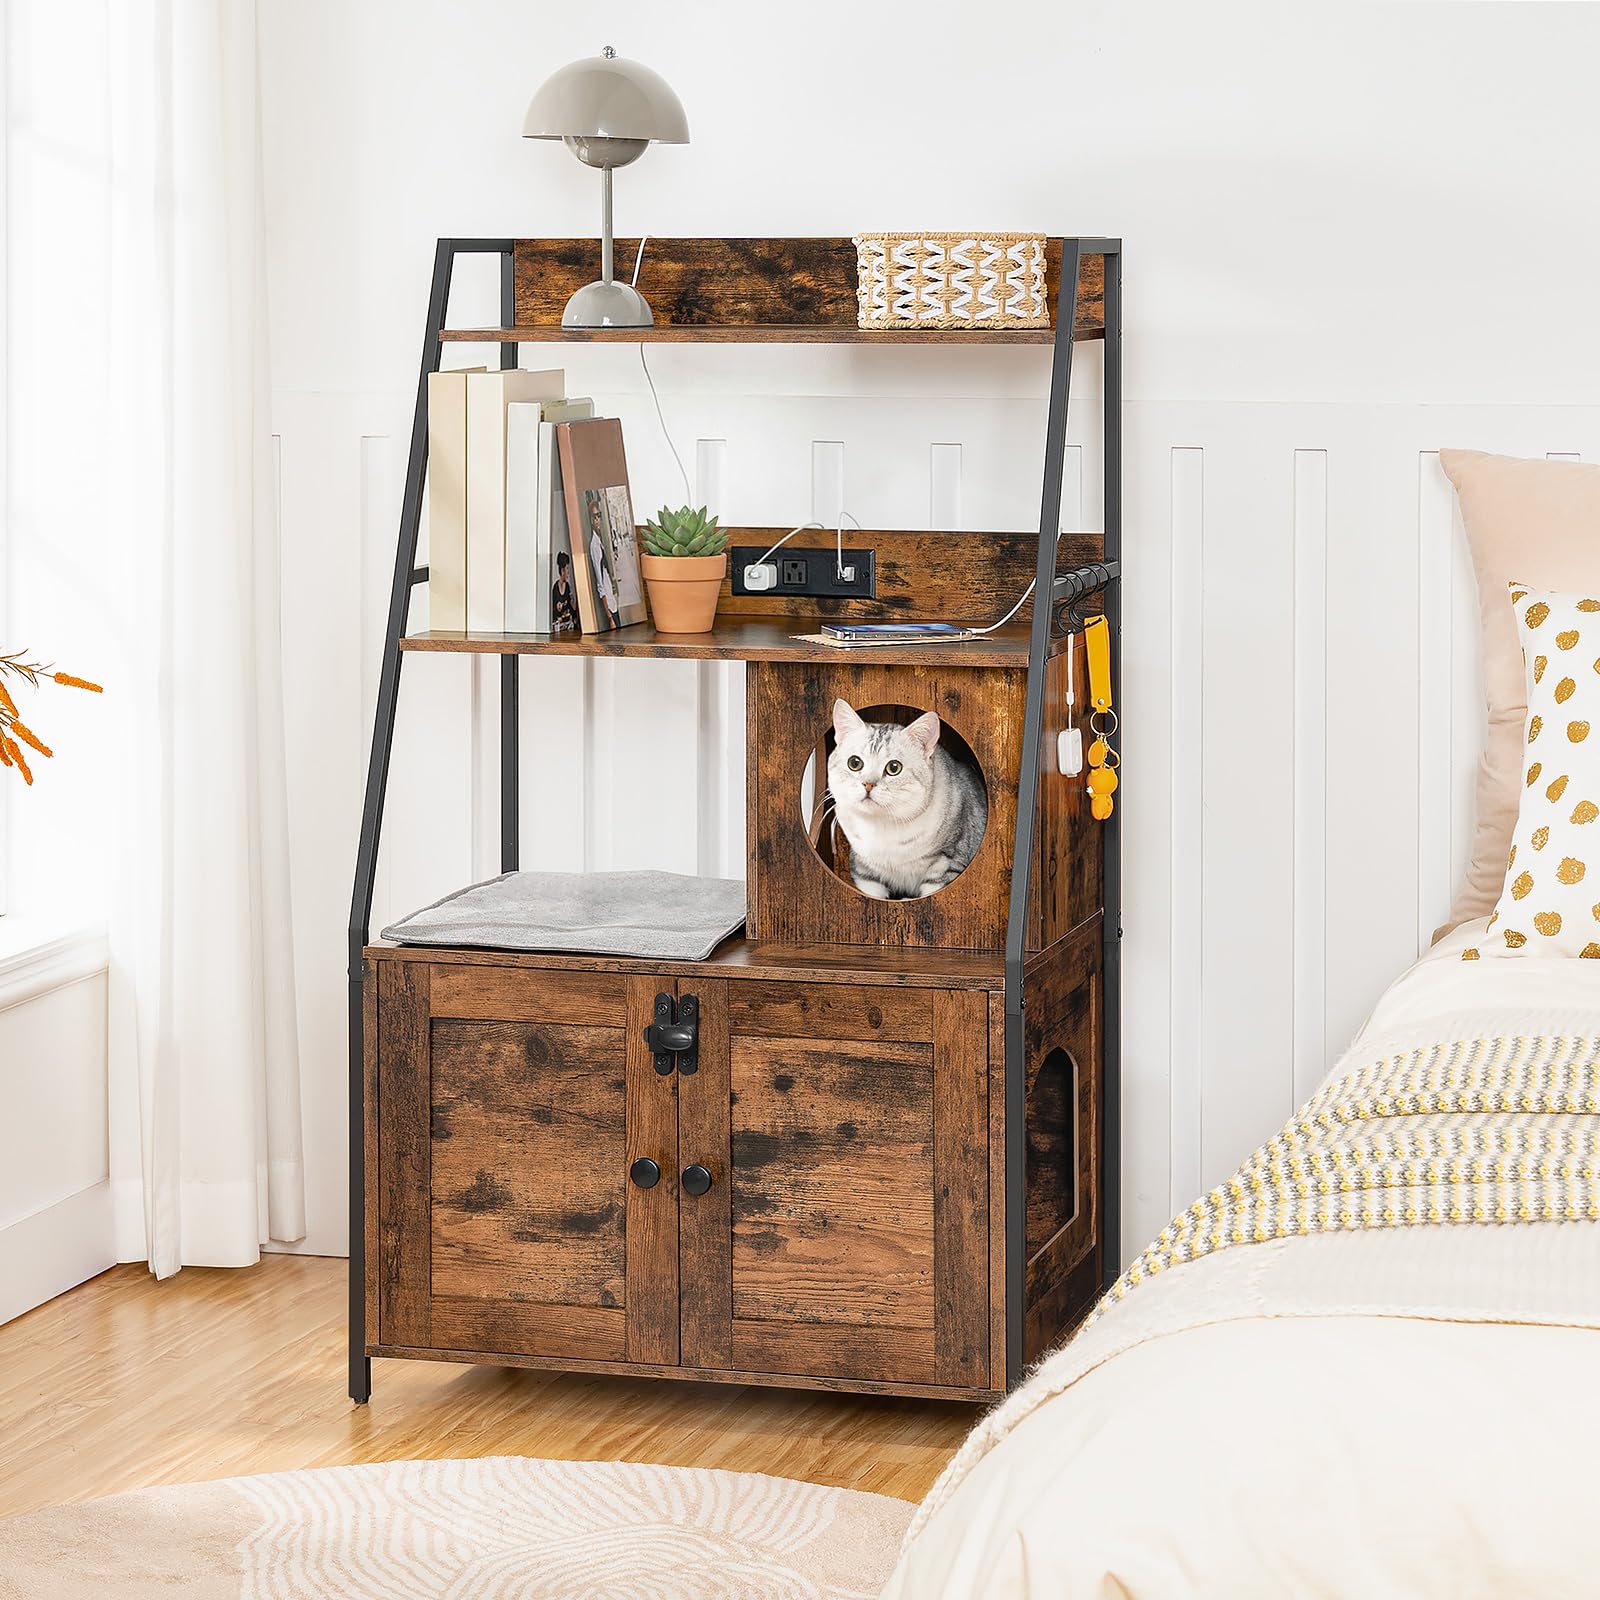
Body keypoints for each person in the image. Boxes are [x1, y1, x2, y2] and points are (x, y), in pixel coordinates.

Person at [550, 550, 579, 634]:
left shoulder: (568, 587)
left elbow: (571, 609)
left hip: (568, 625)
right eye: (567, 569)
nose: (568, 572)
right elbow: (555, 611)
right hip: (559, 626)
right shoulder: (555, 588)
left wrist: (574, 605)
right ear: (562, 570)